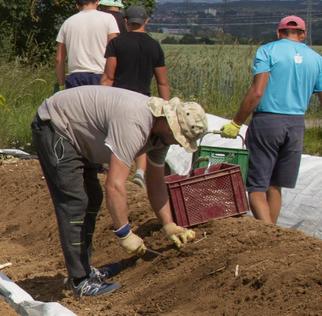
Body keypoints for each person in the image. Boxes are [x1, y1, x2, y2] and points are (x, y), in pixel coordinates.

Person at [30, 86, 208, 298]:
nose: (177, 144)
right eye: (179, 138)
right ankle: (80, 281)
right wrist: (125, 233)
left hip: (78, 132)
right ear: (170, 126)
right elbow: (115, 185)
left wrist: (169, 225)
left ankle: (84, 270)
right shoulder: (135, 124)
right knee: (75, 203)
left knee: (92, 198)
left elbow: (155, 182)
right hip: (57, 125)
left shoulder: (160, 135)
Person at [225, 15, 322, 225]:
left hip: (267, 123)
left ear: (279, 33)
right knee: (275, 185)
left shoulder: (268, 51)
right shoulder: (317, 59)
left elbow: (257, 91)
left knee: (256, 187)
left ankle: (268, 234)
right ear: (303, 34)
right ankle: (273, 233)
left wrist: (236, 122)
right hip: (296, 126)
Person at [101, 5, 172, 186]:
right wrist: (168, 109)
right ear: (146, 21)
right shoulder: (154, 46)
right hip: (143, 100)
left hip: (119, 98)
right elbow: (162, 82)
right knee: (143, 137)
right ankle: (139, 173)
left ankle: (114, 171)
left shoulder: (116, 43)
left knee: (117, 138)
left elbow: (109, 76)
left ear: (126, 21)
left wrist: (101, 97)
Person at [55, 0, 117, 89]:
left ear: (77, 5)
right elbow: (114, 49)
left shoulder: (67, 23)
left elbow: (59, 59)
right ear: (97, 2)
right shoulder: (108, 19)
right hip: (100, 74)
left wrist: (61, 84)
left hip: (75, 76)